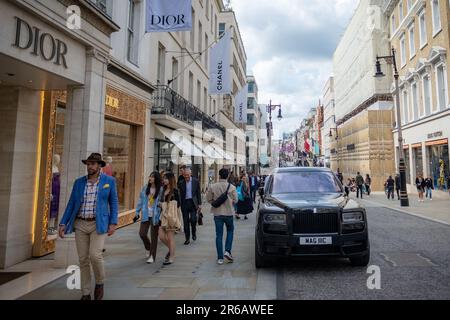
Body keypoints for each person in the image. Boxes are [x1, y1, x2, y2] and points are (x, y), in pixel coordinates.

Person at [58, 153, 118, 300]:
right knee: (83, 259)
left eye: (92, 164)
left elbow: (114, 202)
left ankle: (99, 282)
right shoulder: (79, 182)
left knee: (95, 255)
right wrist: (63, 223)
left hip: (99, 224)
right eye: (88, 164)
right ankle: (85, 293)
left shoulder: (108, 181)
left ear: (99, 166)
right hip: (80, 223)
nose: (89, 166)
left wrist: (113, 223)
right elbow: (72, 203)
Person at [206, 168, 238, 265]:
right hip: (228, 213)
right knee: (230, 231)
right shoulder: (232, 187)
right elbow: (236, 200)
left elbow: (208, 199)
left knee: (218, 235)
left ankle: (220, 258)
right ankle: (227, 251)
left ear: (219, 175)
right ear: (227, 175)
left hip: (217, 214)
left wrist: (214, 203)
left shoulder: (213, 186)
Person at [135, 172, 163, 264]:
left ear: (156, 179)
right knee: (142, 233)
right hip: (146, 214)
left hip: (155, 215)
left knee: (154, 237)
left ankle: (152, 256)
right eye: (150, 176)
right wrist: (137, 212)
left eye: (152, 177)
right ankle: (148, 247)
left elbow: (162, 202)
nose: (150, 178)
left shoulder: (160, 190)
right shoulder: (145, 188)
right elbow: (140, 200)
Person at [158, 172, 181, 265]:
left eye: (166, 178)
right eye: (164, 178)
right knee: (161, 236)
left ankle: (171, 257)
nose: (164, 180)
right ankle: (172, 250)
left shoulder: (175, 191)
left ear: (171, 180)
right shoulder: (163, 190)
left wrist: (179, 219)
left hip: (170, 217)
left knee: (170, 238)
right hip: (162, 216)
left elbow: (178, 205)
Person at [178, 167, 202, 245]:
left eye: (187, 175)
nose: (186, 177)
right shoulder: (181, 183)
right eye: (185, 175)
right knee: (185, 222)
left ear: (190, 174)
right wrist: (179, 203)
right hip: (185, 203)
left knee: (193, 219)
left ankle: (194, 232)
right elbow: (180, 195)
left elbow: (198, 193)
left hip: (193, 203)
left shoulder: (195, 181)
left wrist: (200, 204)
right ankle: (187, 238)